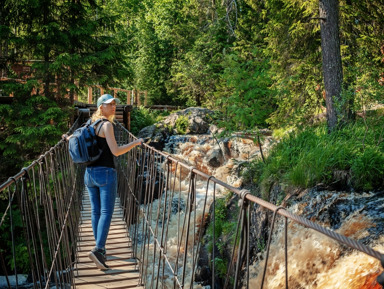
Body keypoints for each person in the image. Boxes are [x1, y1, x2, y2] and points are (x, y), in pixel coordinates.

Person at [64, 94, 143, 270]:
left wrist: (67, 138)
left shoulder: (89, 124)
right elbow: (115, 151)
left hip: (89, 174)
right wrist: (135, 143)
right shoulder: (107, 125)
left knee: (96, 211)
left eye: (115, 104)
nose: (113, 107)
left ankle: (101, 247)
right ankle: (99, 249)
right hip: (106, 173)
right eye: (109, 105)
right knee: (106, 211)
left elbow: (76, 140)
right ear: (101, 107)